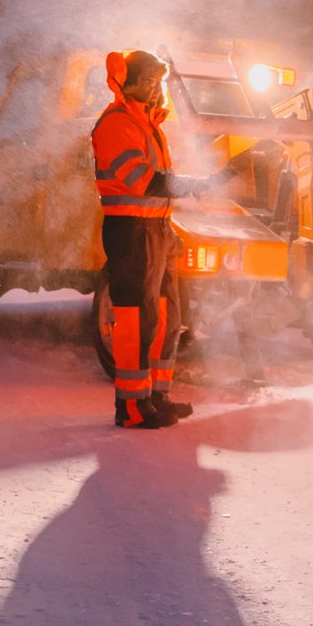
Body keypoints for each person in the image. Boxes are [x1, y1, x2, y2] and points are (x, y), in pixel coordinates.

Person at [91, 49, 228, 429]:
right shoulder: (116, 124)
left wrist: (168, 232)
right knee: (136, 321)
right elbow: (144, 181)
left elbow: (160, 188)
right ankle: (132, 408)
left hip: (154, 230)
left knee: (165, 318)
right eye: (147, 81)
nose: (154, 89)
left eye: (157, 81)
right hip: (130, 232)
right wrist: (198, 186)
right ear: (127, 82)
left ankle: (156, 397)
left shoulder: (149, 124)